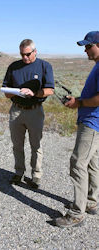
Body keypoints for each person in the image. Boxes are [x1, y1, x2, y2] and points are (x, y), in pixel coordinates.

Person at [55, 31, 99, 228]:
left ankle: (76, 213)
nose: (85, 50)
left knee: (77, 163)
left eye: (89, 46)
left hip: (92, 122)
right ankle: (90, 202)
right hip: (92, 121)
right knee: (92, 163)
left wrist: (78, 103)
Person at [2, 39, 54, 189]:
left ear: (35, 51)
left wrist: (34, 93)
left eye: (27, 54)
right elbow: (5, 90)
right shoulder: (14, 67)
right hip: (16, 110)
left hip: (35, 111)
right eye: (22, 54)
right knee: (17, 144)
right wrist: (14, 92)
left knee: (36, 145)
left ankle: (36, 176)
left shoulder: (45, 66)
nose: (24, 57)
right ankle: (19, 173)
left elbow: (50, 89)